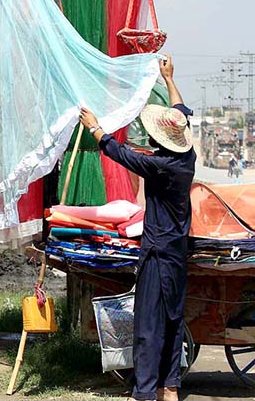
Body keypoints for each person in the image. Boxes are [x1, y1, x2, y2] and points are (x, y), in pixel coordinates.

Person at [79, 55, 194, 401]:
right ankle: (169, 387)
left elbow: (121, 154)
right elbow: (182, 112)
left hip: (157, 256)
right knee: (173, 322)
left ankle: (144, 392)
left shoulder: (160, 166)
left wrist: (96, 128)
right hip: (176, 254)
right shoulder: (186, 159)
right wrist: (170, 78)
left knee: (148, 326)